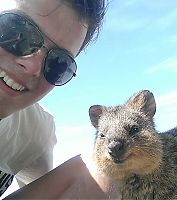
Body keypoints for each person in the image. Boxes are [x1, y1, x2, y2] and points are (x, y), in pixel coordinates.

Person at [0, 0, 111, 198]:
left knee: (98, 173)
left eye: (59, 64)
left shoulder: (32, 133)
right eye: (17, 32)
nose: (33, 67)